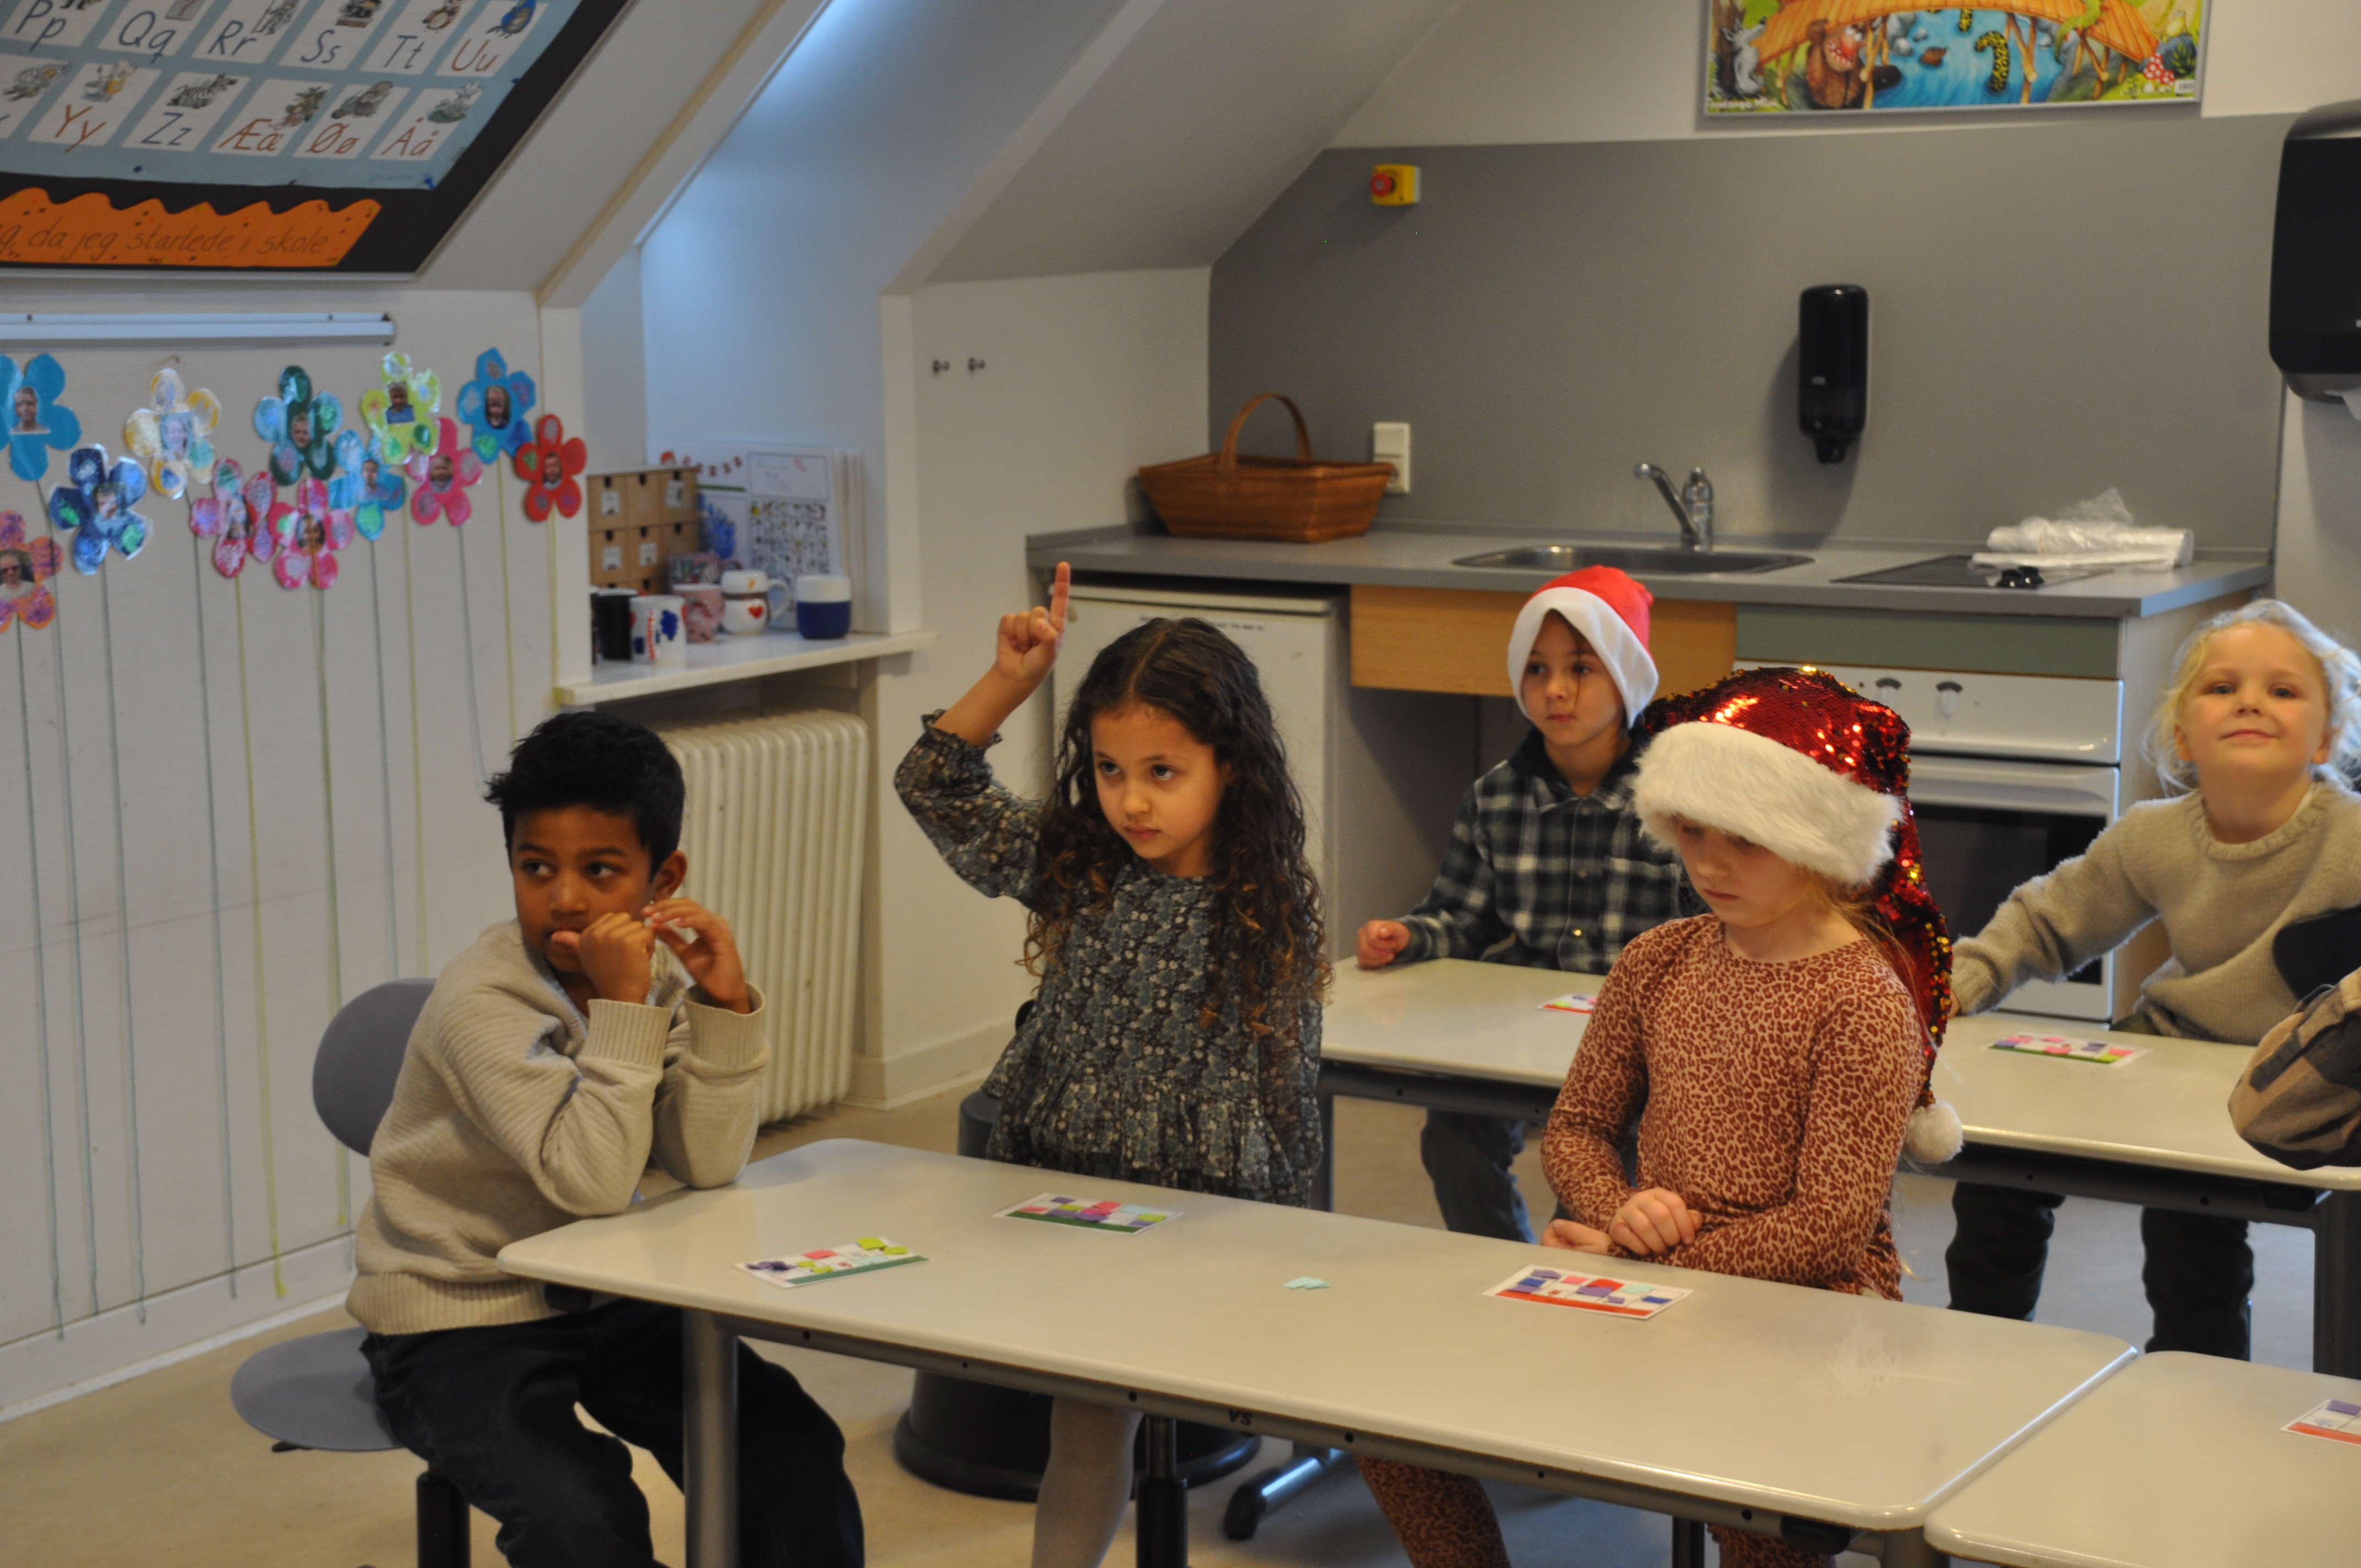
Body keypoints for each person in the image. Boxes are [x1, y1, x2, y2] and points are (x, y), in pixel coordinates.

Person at [1358, 667, 1956, 1568]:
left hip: (1808, 1305)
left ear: (1817, 840)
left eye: (1745, 840)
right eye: (1693, 832)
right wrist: (1616, 1210)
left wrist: (1642, 1254)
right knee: (1388, 1415)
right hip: (1649, 1273)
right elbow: (1578, 1128)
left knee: (1754, 1508)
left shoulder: (1863, 1001)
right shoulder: (1657, 959)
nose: (1708, 864)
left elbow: (1829, 1229)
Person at [350, 711, 864, 1568]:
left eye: (599, 870)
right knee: (578, 1514)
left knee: (790, 1450)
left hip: (608, 1290)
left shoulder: (647, 979)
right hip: (459, 1312)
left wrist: (722, 1011)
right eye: (536, 867)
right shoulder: (482, 1003)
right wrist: (626, 1014)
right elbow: (588, 1183)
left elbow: (706, 1164)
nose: (564, 899)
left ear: (664, 877)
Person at [895, 560, 1325, 1568]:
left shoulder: (1259, 908)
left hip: (1196, 1219)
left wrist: (1271, 1258)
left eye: (1162, 772)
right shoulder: (1079, 863)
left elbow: (1282, 1103)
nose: (1131, 800)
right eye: (1108, 768)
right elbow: (933, 783)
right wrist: (1009, 681)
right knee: (1083, 1434)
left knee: (1140, 1406)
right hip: (1064, 1198)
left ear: (1231, 767)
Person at [1945, 598, 2361, 1359]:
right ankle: (1980, 1348)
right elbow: (2047, 919)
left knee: (2193, 1244)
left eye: (2282, 690)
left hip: (2298, 1076)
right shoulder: (2152, 835)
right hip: (2171, 1041)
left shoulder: (2354, 837)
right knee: (1999, 1158)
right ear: (2182, 736)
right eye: (2223, 688)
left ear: (2328, 736)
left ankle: (2201, 1377)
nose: (2250, 703)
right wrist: (1960, 981)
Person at [1353, 569, 1697, 1240]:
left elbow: (1708, 936)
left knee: (1596, 1184)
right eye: (1536, 669)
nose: (1554, 690)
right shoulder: (1495, 796)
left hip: (1636, 1042)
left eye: (1580, 669)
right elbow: (1462, 915)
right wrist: (1408, 934)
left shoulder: (1675, 800)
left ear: (1626, 679)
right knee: (1453, 1139)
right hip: (1517, 1028)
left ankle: (1568, 1275)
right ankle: (1504, 1260)